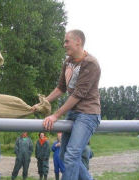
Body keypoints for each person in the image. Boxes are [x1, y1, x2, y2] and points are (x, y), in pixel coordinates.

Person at [33, 29, 101, 180]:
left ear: (78, 41)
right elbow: (60, 89)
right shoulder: (68, 62)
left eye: (67, 41)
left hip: (88, 114)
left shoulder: (90, 63)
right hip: (73, 113)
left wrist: (56, 115)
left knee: (71, 155)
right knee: (65, 156)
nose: (64, 45)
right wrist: (42, 103)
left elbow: (78, 94)